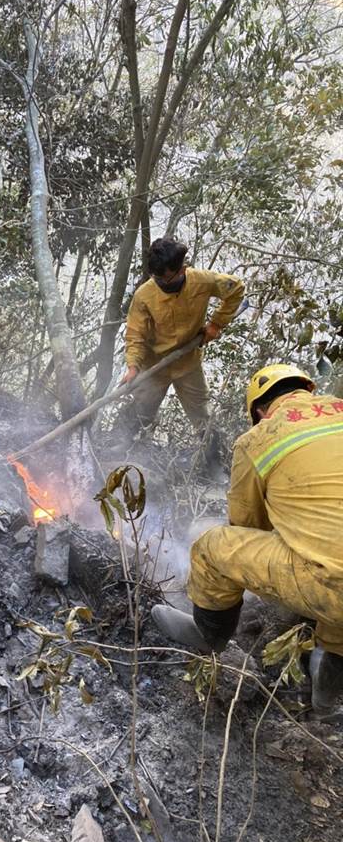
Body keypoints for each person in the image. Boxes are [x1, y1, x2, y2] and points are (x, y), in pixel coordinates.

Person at [152, 363, 343, 718]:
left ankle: (209, 636)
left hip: (330, 583)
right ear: (307, 390)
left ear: (259, 410)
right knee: (338, 627)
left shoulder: (259, 438)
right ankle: (324, 705)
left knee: (213, 548)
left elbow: (246, 525)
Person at [121, 237, 244, 441]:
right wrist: (133, 366)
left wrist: (216, 324)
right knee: (140, 410)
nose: (160, 283)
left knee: (203, 416)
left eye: (165, 278)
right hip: (155, 366)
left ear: (181, 270)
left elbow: (236, 288)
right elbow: (135, 335)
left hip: (188, 363)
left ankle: (212, 460)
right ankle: (120, 444)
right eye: (157, 278)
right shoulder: (144, 295)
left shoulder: (202, 281)